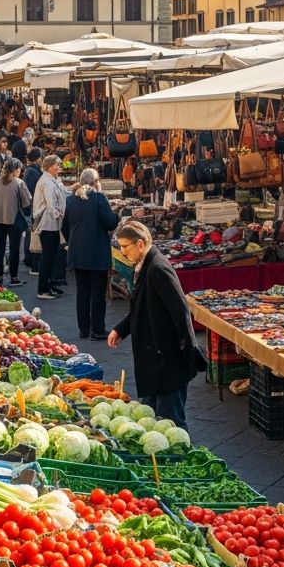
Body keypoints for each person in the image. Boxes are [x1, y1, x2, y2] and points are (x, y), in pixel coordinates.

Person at [107, 220, 199, 427]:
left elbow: (181, 311)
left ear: (140, 244)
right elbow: (140, 308)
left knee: (170, 422)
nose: (122, 252)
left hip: (165, 360)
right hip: (154, 360)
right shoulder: (145, 265)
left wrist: (189, 350)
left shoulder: (158, 268)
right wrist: (120, 330)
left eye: (124, 246)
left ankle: (176, 458)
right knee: (151, 419)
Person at [62, 168, 118, 340]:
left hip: (78, 253)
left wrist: (72, 242)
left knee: (83, 292)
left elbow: (65, 227)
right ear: (95, 182)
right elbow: (109, 223)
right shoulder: (98, 198)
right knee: (97, 293)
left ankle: (84, 329)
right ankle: (97, 329)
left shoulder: (71, 200)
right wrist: (117, 215)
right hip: (96, 253)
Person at [0, 159, 30, 287]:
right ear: (15, 170)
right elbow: (26, 203)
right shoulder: (19, 183)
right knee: (14, 249)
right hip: (13, 219)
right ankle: (14, 277)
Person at [32, 154, 67, 300]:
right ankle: (43, 290)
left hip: (50, 223)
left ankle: (49, 286)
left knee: (50, 256)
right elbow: (51, 203)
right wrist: (59, 215)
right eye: (56, 165)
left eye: (59, 165)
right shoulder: (47, 182)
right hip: (48, 224)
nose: (58, 168)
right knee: (47, 256)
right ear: (49, 166)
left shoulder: (50, 180)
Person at [22, 148, 43, 274]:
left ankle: (29, 257)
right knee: (31, 233)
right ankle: (29, 258)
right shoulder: (32, 172)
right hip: (32, 207)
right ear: (38, 159)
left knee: (30, 233)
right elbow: (29, 192)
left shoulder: (31, 171)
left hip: (32, 207)